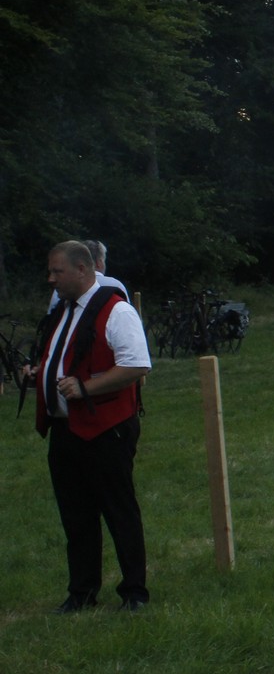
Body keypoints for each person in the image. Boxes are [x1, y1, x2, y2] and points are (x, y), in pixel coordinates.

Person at [33, 241, 152, 613]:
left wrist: (86, 388)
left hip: (107, 428)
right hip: (65, 429)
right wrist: (39, 373)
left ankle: (134, 592)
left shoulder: (116, 310)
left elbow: (137, 365)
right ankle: (82, 592)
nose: (51, 279)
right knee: (76, 515)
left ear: (82, 269)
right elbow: (63, 358)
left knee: (119, 511)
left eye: (57, 271)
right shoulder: (62, 311)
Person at [47, 239, 127, 313]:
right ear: (99, 263)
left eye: (57, 271)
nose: (51, 279)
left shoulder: (62, 287)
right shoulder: (116, 285)